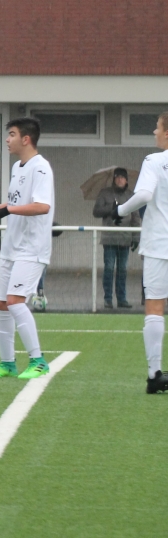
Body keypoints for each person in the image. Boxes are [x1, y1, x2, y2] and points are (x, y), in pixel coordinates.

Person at [0, 117, 53, 381]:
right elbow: (16, 202)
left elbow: (42, 206)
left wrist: (7, 210)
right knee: (2, 304)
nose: (7, 139)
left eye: (12, 134)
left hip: (31, 249)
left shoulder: (41, 168)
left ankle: (38, 361)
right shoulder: (18, 167)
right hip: (11, 247)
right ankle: (7, 363)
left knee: (15, 302)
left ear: (26, 139)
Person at [114, 111, 168, 394]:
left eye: (157, 128)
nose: (154, 132)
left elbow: (145, 195)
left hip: (160, 243)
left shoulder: (154, 161)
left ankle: (154, 374)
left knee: (155, 306)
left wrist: (120, 209)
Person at [93, 167, 141, 309]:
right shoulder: (105, 193)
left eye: (122, 177)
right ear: (114, 179)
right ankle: (108, 299)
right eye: (117, 177)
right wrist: (112, 209)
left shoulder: (131, 196)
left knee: (122, 270)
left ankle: (122, 299)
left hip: (125, 239)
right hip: (109, 238)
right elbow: (96, 211)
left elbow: (135, 217)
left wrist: (136, 237)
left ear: (126, 180)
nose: (120, 180)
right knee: (108, 268)